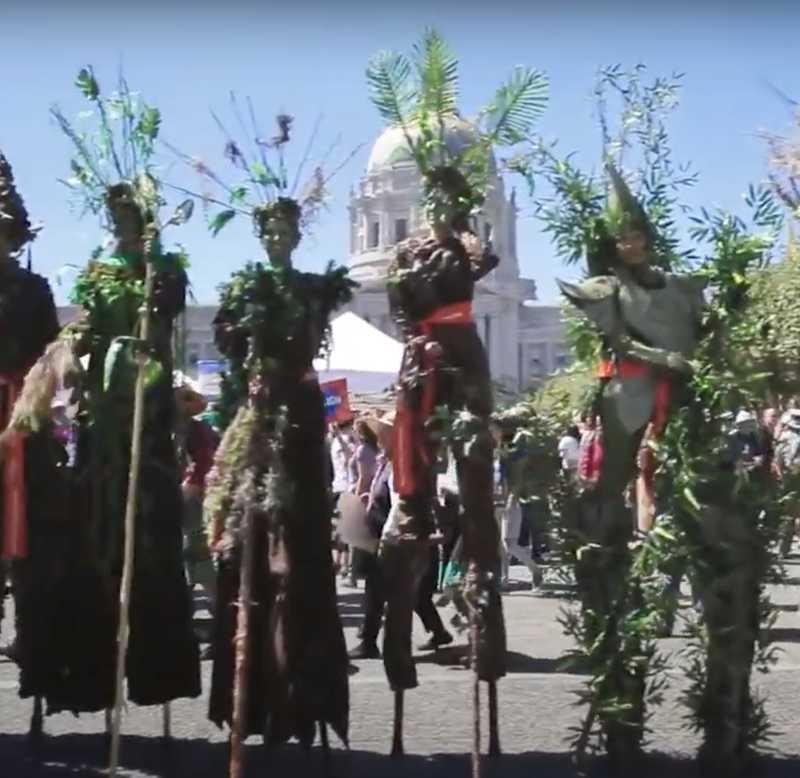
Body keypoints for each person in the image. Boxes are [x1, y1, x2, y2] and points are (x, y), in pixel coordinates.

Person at [203, 164, 354, 745]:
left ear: (297, 234)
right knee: (250, 538)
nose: (277, 238)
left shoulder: (314, 289)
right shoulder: (245, 290)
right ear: (260, 235)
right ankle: (254, 695)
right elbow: (228, 342)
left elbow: (315, 332)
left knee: (303, 542)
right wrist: (249, 334)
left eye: (286, 230)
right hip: (261, 415)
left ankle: (304, 690)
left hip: (301, 421)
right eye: (268, 230)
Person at [348, 412, 452, 660]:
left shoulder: (403, 466)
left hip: (394, 538)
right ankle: (433, 632)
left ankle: (372, 642)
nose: (381, 437)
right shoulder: (391, 462)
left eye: (386, 432)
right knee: (404, 593)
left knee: (383, 591)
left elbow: (401, 506)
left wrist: (389, 538)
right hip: (387, 533)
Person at [174, 379, 219, 658]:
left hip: (196, 507)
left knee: (202, 566)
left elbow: (203, 465)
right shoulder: (177, 430)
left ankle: (222, 630)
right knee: (187, 567)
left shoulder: (198, 430)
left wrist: (188, 486)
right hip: (183, 508)